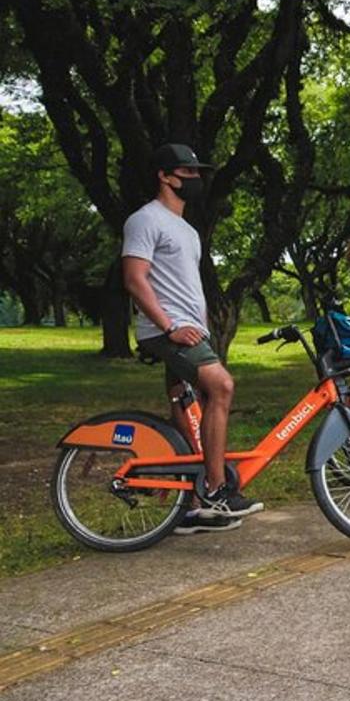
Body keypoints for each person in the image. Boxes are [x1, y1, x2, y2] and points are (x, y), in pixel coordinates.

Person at [123, 143, 262, 534]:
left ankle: (193, 507)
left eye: (197, 173)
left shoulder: (187, 229)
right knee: (221, 387)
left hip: (190, 328)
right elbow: (134, 280)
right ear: (164, 176)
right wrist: (169, 327)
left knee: (186, 409)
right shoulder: (144, 220)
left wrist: (198, 325)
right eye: (187, 173)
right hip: (167, 330)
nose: (195, 179)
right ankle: (218, 489)